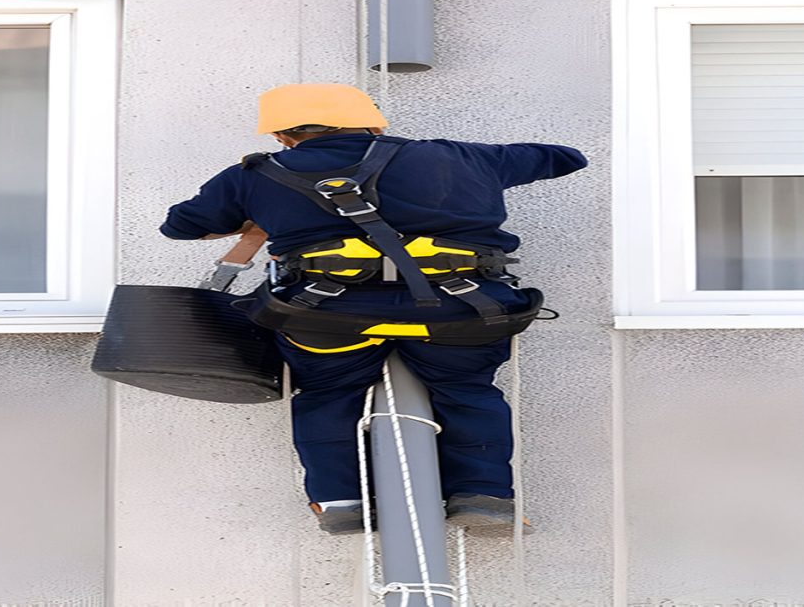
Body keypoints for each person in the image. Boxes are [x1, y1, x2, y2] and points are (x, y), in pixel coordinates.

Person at [161, 83, 587, 534]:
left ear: (283, 136)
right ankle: (485, 497)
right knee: (468, 390)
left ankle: (340, 499)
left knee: (328, 392)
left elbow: (180, 227)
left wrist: (254, 212)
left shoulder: (254, 175)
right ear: (374, 123)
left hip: (325, 316)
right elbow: (566, 157)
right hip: (459, 313)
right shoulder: (462, 157)